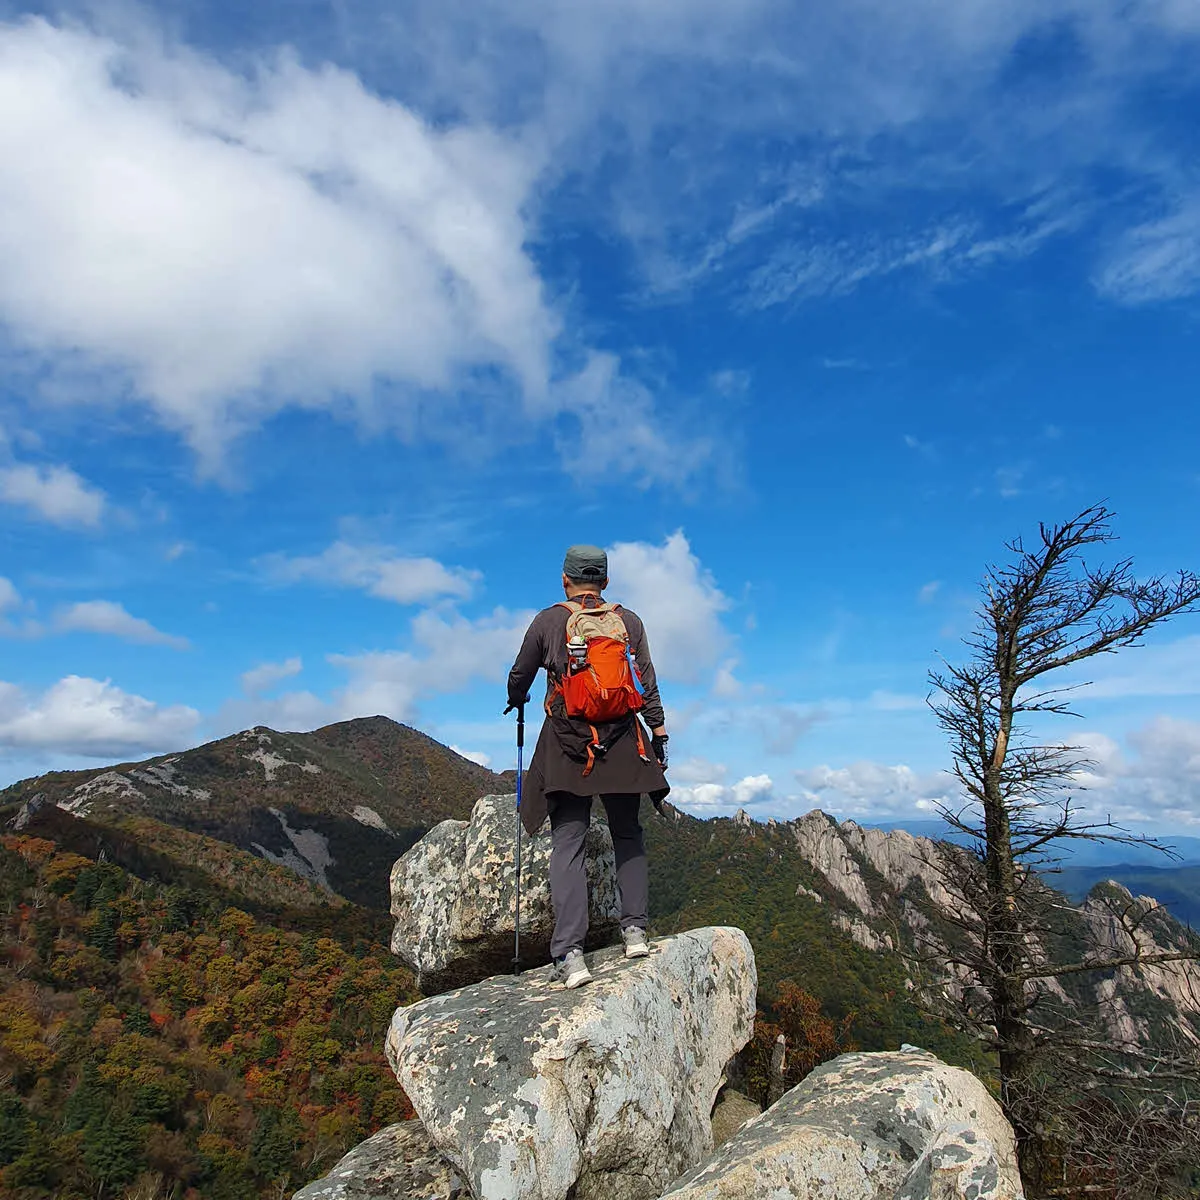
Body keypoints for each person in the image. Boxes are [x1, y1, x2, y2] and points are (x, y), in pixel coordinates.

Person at [507, 544, 669, 988]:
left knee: (569, 844)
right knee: (627, 832)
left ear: (565, 580)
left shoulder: (549, 620)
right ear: (605, 581)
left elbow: (520, 673)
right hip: (620, 740)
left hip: (568, 742)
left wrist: (515, 698)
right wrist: (658, 732)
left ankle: (571, 954)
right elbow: (646, 682)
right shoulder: (628, 622)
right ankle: (634, 930)